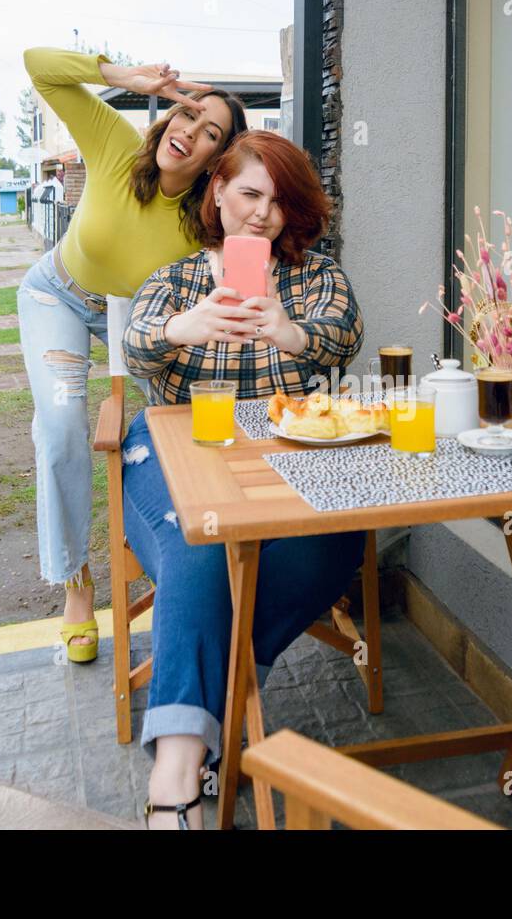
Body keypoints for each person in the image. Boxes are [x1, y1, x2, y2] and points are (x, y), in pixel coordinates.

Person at [121, 130, 366, 829]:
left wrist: (290, 333)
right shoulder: (176, 280)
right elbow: (135, 342)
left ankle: (199, 713)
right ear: (219, 192)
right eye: (250, 194)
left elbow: (343, 334)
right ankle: (175, 779)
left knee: (335, 538)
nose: (262, 214)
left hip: (289, 448)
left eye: (278, 201)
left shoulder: (315, 277)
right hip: (176, 446)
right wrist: (184, 327)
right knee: (201, 543)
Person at [17, 47, 248, 665]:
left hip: (139, 322)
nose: (189, 133)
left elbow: (259, 228)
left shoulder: (205, 221)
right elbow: (37, 64)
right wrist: (122, 76)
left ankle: (182, 557)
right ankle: (75, 583)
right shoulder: (117, 145)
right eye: (188, 115)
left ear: (216, 159)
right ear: (169, 115)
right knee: (63, 426)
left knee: (176, 428)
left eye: (210, 134)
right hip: (59, 296)